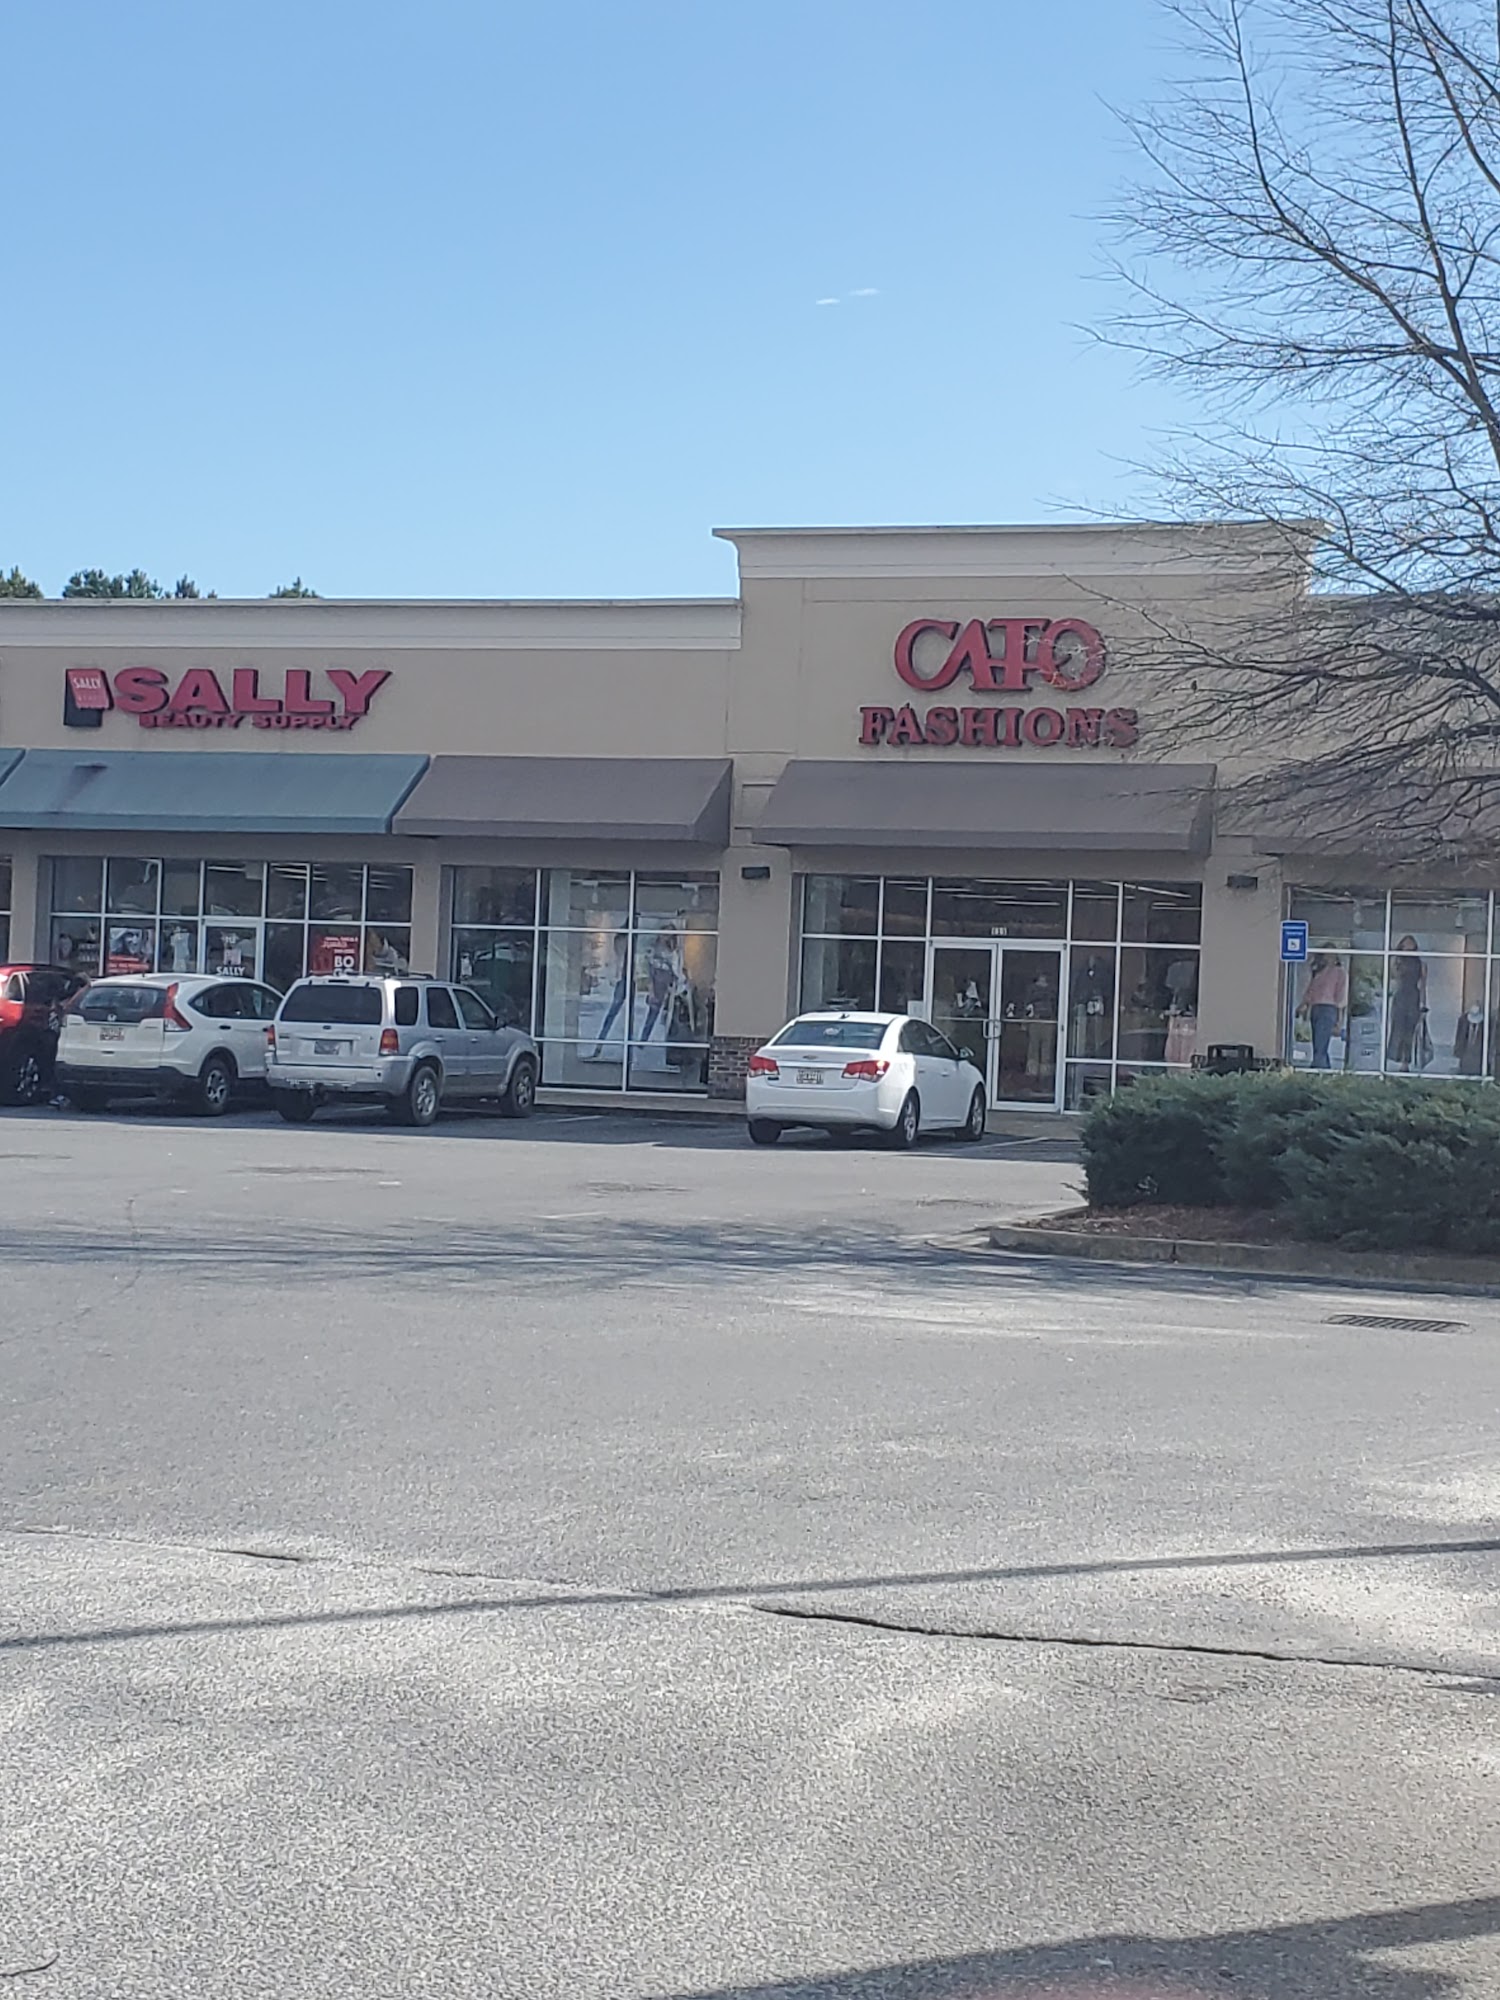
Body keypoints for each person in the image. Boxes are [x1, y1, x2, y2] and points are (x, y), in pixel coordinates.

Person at [1297, 949, 1348, 1070]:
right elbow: (1311, 991)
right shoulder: (1319, 972)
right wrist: (1303, 1005)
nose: (1327, 957)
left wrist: (1339, 1018)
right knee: (1318, 1043)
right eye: (1325, 954)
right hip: (1316, 1008)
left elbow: (1340, 996)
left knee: (1321, 1043)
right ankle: (1322, 1068)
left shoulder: (1339, 972)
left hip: (1328, 1008)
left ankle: (1319, 1068)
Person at [1386, 935, 1428, 1071]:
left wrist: (1423, 1004)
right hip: (1401, 996)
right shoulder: (1398, 961)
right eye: (1406, 943)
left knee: (1409, 1031)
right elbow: (1393, 976)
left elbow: (1423, 985)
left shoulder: (1420, 963)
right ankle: (1396, 1058)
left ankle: (1406, 1061)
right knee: (1398, 1028)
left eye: (1411, 943)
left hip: (1413, 996)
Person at [589, 933, 631, 1058]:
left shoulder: (623, 946)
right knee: (613, 1013)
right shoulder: (620, 947)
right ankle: (600, 1045)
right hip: (622, 980)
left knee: (623, 1015)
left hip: (627, 980)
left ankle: (601, 1045)